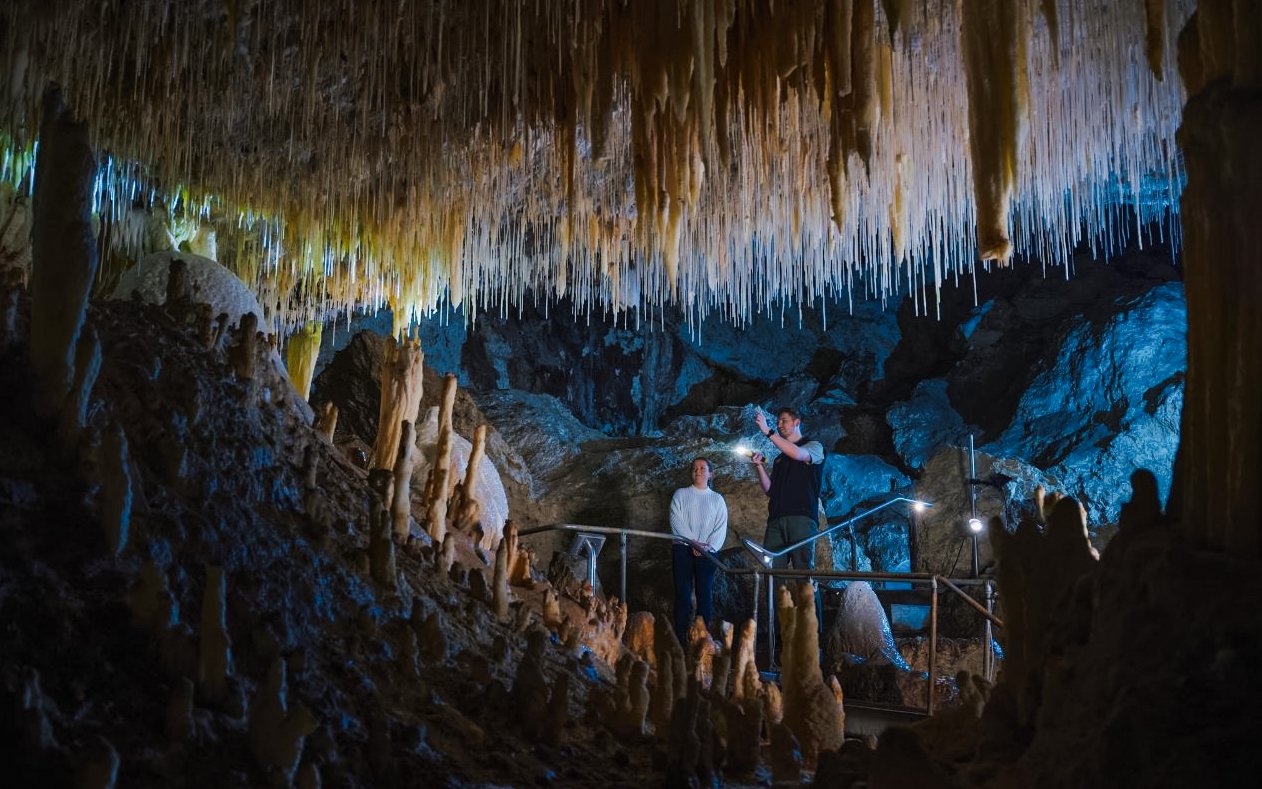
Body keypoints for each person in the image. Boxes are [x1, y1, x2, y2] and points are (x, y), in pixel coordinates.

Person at [750, 407, 826, 571]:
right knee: (772, 571)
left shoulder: (814, 446)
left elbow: (799, 454)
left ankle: (809, 598)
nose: (779, 425)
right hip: (776, 518)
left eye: (784, 420)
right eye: (777, 422)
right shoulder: (779, 459)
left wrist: (768, 432)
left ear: (797, 422)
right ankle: (776, 598)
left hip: (801, 517)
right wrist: (760, 467)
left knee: (803, 570)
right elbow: (770, 490)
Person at [669, 456, 728, 646]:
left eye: (703, 468)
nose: (698, 471)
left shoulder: (717, 499)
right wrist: (693, 543)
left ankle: (702, 639)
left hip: (708, 552)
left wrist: (706, 547)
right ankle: (680, 639)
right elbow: (676, 520)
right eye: (695, 468)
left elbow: (720, 527)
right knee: (682, 594)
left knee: (704, 594)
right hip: (683, 549)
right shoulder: (680, 494)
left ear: (711, 473)